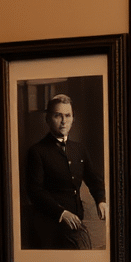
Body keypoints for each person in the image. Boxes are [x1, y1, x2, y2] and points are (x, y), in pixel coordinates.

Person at [24, 95, 107, 250]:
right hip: (49, 229)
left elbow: (94, 179)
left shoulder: (79, 149)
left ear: (73, 118)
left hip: (75, 224)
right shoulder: (37, 151)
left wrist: (101, 200)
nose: (63, 121)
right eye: (58, 116)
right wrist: (61, 213)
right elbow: (35, 191)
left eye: (68, 116)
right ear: (48, 119)